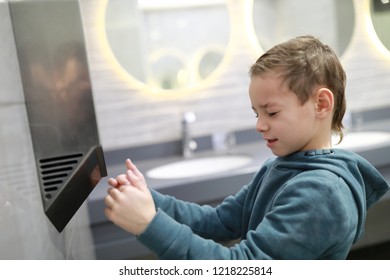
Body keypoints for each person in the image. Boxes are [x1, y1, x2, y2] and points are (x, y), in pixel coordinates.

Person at [104, 35, 390, 259]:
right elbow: (217, 222)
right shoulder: (281, 167)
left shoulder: (322, 193)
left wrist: (148, 224)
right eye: (257, 113)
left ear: (321, 104)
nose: (259, 125)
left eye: (272, 113)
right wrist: (151, 201)